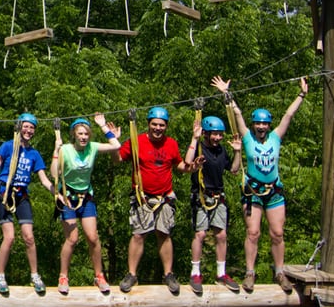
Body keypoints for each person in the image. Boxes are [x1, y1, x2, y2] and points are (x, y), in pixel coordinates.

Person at [212, 75, 308, 293]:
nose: (261, 127)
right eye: (258, 123)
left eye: (264, 123)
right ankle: (250, 272)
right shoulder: (247, 138)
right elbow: (237, 114)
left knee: (277, 233)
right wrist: (227, 94)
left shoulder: (275, 137)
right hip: (253, 191)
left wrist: (301, 95)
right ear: (254, 125)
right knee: (253, 232)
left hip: (274, 191)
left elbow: (288, 115)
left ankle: (280, 271)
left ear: (269, 125)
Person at [115, 106, 197, 294]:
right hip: (142, 197)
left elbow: (179, 165)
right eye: (155, 124)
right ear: (148, 124)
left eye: (161, 125)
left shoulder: (171, 144)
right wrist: (113, 140)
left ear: (166, 126)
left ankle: (168, 274)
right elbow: (118, 158)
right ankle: (131, 274)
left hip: (164, 197)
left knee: (164, 234)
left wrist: (192, 167)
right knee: (138, 235)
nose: (158, 128)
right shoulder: (137, 141)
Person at [0, 113, 55, 295]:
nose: (28, 130)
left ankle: (34, 275)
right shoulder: (7, 146)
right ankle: (0, 275)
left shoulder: (34, 154)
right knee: (10, 237)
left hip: (21, 194)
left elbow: (44, 180)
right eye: (26, 126)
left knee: (29, 237)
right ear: (19, 127)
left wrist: (58, 194)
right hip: (4, 192)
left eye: (32, 127)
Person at [51, 114, 122, 295]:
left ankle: (99, 275)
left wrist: (103, 127)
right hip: (67, 196)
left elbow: (116, 146)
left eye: (86, 134)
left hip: (86, 196)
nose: (83, 137)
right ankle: (63, 276)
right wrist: (56, 150)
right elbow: (54, 174)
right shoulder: (66, 149)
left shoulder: (93, 147)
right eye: (80, 134)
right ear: (74, 135)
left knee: (93, 237)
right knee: (72, 239)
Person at [183, 115, 242, 294]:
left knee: (221, 235)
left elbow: (234, 170)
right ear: (206, 134)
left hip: (218, 196)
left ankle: (221, 273)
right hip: (201, 195)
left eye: (220, 135)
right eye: (214, 134)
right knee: (200, 234)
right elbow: (187, 162)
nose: (217, 138)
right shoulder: (199, 147)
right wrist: (194, 138)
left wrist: (237, 152)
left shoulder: (221, 151)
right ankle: (195, 272)